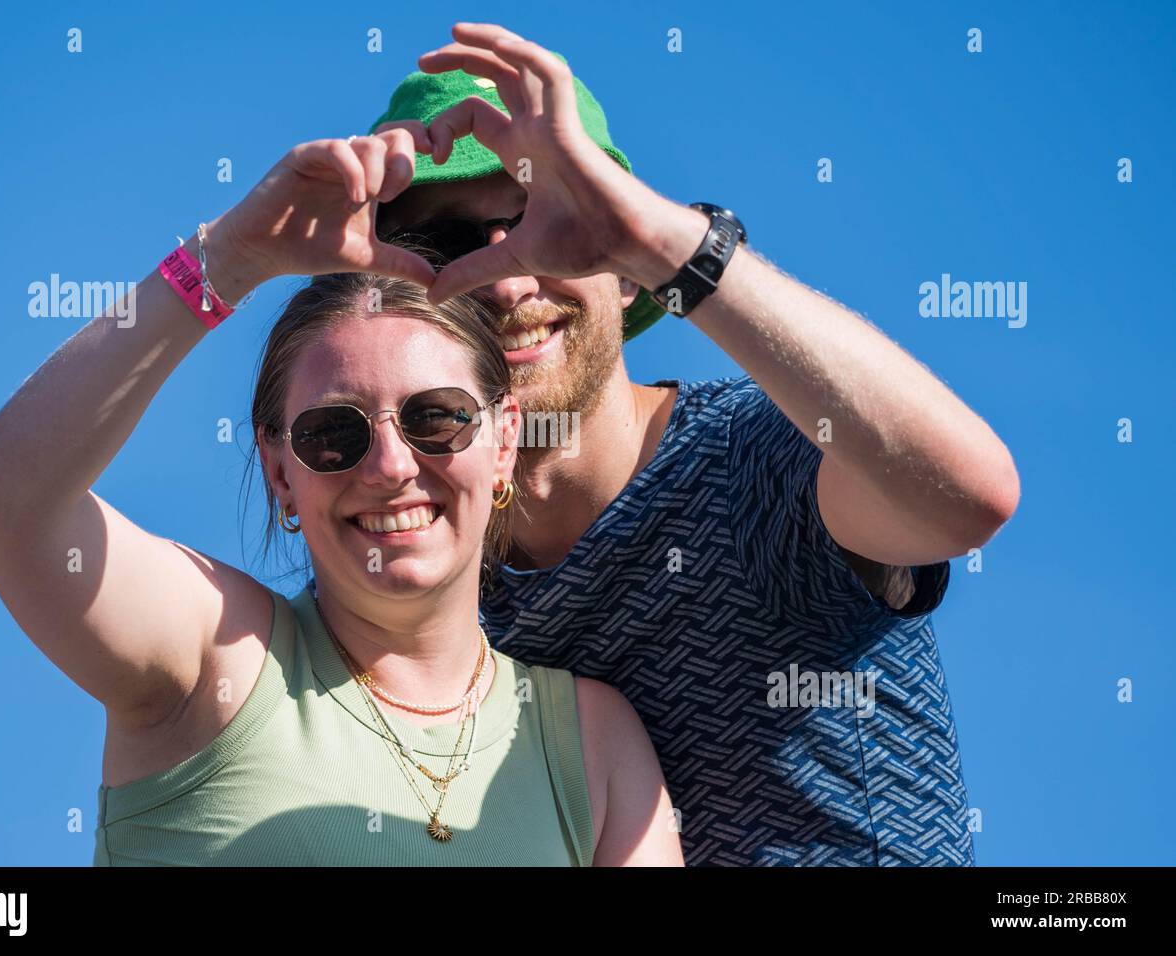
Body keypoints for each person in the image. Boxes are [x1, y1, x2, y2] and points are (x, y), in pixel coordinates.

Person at [354, 23, 1022, 866]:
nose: (511, 276)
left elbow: (968, 497)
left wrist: (670, 242)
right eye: (450, 245)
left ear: (627, 262)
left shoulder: (754, 455)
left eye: (548, 219)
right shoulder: (416, 578)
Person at [0, 131, 684, 865]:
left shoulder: (591, 745)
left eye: (436, 418)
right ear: (279, 471)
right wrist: (228, 261)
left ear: (501, 444)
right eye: (335, 434)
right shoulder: (216, 660)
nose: (392, 465)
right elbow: (3, 500)